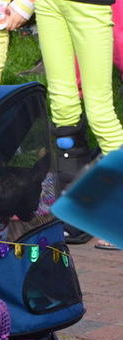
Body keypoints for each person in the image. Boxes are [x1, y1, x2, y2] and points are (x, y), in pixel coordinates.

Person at [35, 0, 123, 250]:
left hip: (89, 4)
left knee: (100, 112)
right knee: (62, 109)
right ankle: (75, 214)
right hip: (48, 4)